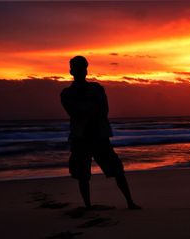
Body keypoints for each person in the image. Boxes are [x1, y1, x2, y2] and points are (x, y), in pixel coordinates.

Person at [60, 55, 141, 210]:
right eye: (77, 68)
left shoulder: (95, 88)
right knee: (83, 175)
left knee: (117, 170)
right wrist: (91, 108)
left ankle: (130, 202)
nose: (80, 71)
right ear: (71, 71)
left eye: (82, 68)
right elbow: (75, 112)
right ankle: (89, 206)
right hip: (83, 137)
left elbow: (103, 110)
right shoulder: (68, 93)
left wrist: (86, 109)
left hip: (97, 136)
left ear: (86, 70)